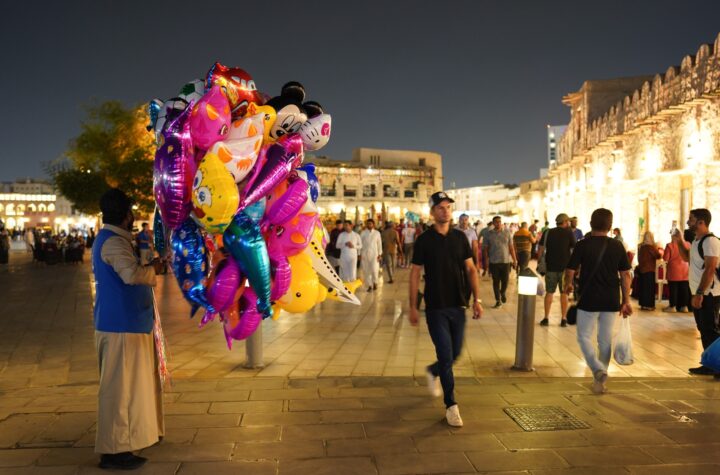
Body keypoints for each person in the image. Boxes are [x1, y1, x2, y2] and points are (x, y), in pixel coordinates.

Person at [92, 189, 165, 470]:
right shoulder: (113, 243)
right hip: (120, 326)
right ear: (127, 215)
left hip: (126, 324)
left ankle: (125, 443)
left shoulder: (112, 240)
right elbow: (131, 274)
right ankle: (114, 451)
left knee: (127, 390)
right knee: (118, 393)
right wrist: (154, 269)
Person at [408, 191, 483, 427]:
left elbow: (471, 269)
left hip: (458, 305)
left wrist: (477, 300)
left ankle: (433, 371)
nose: (445, 211)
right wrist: (412, 306)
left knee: (455, 353)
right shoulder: (424, 240)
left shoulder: (460, 238)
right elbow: (414, 274)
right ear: (432, 212)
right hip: (435, 307)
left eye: (448, 207)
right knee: (445, 353)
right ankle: (451, 405)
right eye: (440, 207)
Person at [565, 208, 632, 394]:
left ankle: (597, 369)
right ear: (610, 226)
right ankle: (600, 381)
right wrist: (626, 300)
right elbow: (625, 274)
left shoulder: (582, 245)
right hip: (611, 299)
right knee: (604, 340)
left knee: (583, 336)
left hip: (588, 299)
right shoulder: (617, 246)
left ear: (590, 223)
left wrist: (568, 286)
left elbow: (570, 270)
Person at [673, 208, 720, 376]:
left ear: (701, 222)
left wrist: (700, 293)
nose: (688, 222)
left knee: (711, 330)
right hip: (698, 292)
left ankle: (717, 365)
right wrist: (679, 241)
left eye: (691, 219)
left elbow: (710, 269)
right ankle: (710, 363)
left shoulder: (710, 242)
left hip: (709, 293)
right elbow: (686, 258)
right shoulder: (696, 241)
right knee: (704, 329)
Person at [537, 213, 576, 326]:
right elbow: (574, 249)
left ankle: (546, 318)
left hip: (550, 268)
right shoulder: (569, 233)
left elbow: (540, 248)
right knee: (564, 293)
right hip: (565, 269)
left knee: (549, 292)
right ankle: (563, 319)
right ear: (565, 222)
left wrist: (540, 261)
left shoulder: (548, 232)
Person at [484, 216, 517, 308]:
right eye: (496, 222)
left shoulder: (507, 233)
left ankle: (502, 292)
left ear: (501, 223)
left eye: (499, 222)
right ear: (493, 223)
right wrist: (486, 261)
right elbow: (485, 249)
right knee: (496, 281)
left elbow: (511, 248)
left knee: (505, 281)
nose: (498, 223)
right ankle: (498, 300)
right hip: (494, 262)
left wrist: (514, 260)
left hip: (505, 261)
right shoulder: (488, 234)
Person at [663, 234, 691, 313]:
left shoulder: (670, 245)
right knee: (684, 289)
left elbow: (665, 258)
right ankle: (684, 306)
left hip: (673, 270)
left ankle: (673, 306)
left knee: (673, 289)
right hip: (685, 269)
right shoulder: (688, 244)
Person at [636, 232, 661, 311]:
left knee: (643, 287)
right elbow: (658, 256)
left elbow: (638, 257)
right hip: (650, 269)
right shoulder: (651, 247)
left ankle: (643, 305)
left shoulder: (640, 246)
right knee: (649, 288)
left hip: (641, 269)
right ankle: (649, 305)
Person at [360, 219, 382, 291]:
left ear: (373, 224)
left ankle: (375, 282)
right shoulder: (363, 233)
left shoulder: (377, 233)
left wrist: (379, 254)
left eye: (370, 224)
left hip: (374, 254)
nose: (369, 225)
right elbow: (360, 244)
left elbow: (379, 244)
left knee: (374, 269)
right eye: (368, 224)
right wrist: (359, 254)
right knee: (366, 270)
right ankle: (369, 285)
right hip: (364, 254)